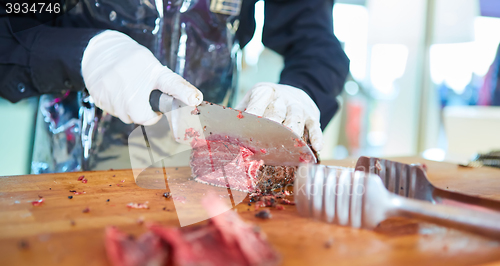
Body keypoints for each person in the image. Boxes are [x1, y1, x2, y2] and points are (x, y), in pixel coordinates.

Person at [0, 0, 349, 173]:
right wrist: (87, 55)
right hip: (73, 173)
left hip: (209, 178)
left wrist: (303, 91)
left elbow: (314, 39)